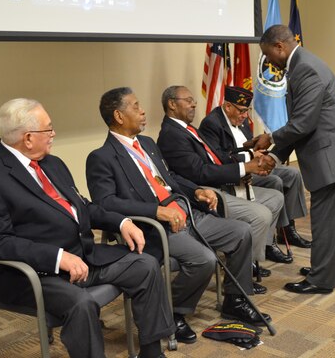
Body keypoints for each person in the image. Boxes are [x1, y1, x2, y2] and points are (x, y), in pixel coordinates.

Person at [0, 98, 175, 358]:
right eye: (48, 129)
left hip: (83, 258)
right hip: (32, 274)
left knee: (145, 265)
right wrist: (58, 258)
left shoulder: (53, 164)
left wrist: (122, 222)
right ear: (28, 138)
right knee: (82, 304)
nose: (53, 134)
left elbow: (82, 207)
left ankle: (152, 352)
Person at [85, 87, 272, 343]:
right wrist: (155, 211)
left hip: (186, 211)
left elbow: (170, 179)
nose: (142, 111)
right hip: (156, 226)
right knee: (204, 259)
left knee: (241, 232)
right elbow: (105, 203)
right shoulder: (101, 158)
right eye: (136, 106)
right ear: (118, 116)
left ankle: (235, 300)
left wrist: (197, 192)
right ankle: (172, 312)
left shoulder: (148, 144)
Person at [253, 25, 335, 294]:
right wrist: (276, 155)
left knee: (327, 218)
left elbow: (303, 124)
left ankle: (321, 279)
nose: (270, 62)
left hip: (333, 155)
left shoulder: (304, 68)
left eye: (268, 55)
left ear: (279, 47)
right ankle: (332, 269)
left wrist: (270, 140)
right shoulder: (305, 63)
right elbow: (302, 123)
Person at [156, 86, 288, 271]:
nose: (194, 104)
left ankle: (254, 256)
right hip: (205, 192)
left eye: (193, 100)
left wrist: (245, 167)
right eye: (188, 100)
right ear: (171, 104)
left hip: (221, 182)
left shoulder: (188, 129)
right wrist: (243, 167)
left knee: (276, 198)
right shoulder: (171, 135)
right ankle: (243, 268)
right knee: (261, 214)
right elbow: (199, 173)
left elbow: (217, 156)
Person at [199, 85, 311, 249]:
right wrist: (251, 156)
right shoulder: (211, 123)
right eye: (242, 111)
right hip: (237, 172)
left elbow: (248, 145)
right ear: (228, 106)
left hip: (254, 164)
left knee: (293, 174)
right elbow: (218, 157)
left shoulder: (242, 121)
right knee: (275, 180)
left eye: (247, 111)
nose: (245, 116)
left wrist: (259, 152)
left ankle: (287, 229)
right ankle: (268, 242)